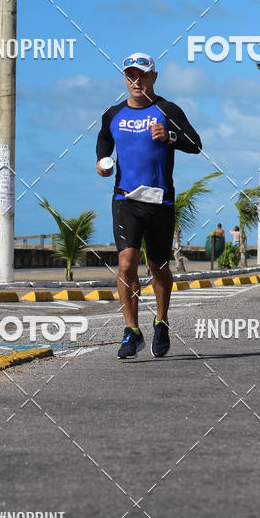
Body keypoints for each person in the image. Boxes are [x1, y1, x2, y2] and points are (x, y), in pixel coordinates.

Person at [96, 52, 202, 359]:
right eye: (130, 75)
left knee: (158, 266)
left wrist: (170, 136)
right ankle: (131, 330)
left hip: (160, 201)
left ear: (153, 77)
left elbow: (195, 144)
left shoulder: (167, 110)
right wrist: (102, 164)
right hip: (125, 199)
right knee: (126, 264)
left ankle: (161, 322)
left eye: (141, 75)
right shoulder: (113, 113)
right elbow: (104, 140)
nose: (135, 81)